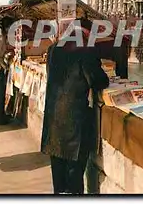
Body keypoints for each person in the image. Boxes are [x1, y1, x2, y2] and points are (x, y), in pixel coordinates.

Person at [41, 25, 110, 194]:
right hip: (74, 120)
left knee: (58, 170)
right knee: (74, 173)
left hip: (53, 118)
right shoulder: (85, 51)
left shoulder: (52, 49)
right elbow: (98, 80)